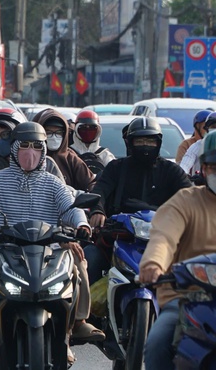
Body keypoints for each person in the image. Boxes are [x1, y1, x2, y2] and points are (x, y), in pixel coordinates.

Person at [0, 122, 101, 362]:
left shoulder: (53, 182)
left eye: (36, 146)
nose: (30, 151)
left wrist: (82, 225)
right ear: (13, 149)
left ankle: (74, 327)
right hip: (5, 247)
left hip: (47, 249)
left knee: (78, 264)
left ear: (43, 149)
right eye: (24, 145)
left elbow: (70, 206)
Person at [139, 130, 216, 370]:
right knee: (158, 343)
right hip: (187, 298)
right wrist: (153, 264)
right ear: (202, 169)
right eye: (214, 165)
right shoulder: (184, 202)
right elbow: (164, 237)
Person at [84, 117, 192, 285]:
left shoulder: (172, 171)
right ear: (130, 143)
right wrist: (97, 210)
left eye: (150, 141)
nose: (145, 146)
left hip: (164, 239)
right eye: (139, 141)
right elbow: (100, 191)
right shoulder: (115, 168)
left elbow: (190, 197)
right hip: (118, 238)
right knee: (89, 258)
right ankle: (88, 310)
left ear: (158, 143)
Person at [34, 108, 96, 192]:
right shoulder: (32, 156)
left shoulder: (70, 158)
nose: (54, 137)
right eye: (48, 132)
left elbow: (90, 183)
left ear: (65, 134)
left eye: (58, 132)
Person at [69, 110, 115, 175]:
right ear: (76, 129)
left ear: (98, 130)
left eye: (92, 128)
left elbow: (114, 176)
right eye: (83, 127)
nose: (88, 131)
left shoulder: (105, 155)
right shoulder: (69, 154)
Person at [179, 111, 216, 179]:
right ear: (207, 129)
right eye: (213, 127)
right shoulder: (198, 146)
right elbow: (185, 165)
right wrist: (184, 174)